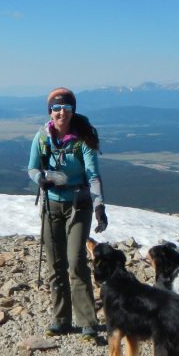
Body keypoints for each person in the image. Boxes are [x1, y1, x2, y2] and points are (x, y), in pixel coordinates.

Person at [28, 87, 108, 339]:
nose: (61, 112)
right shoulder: (42, 138)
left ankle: (87, 322)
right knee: (56, 263)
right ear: (50, 111)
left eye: (67, 108)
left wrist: (99, 207)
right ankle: (60, 319)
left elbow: (93, 176)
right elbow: (31, 168)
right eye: (56, 108)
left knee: (75, 261)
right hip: (51, 204)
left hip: (78, 205)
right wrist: (40, 178)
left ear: (74, 110)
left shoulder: (83, 140)